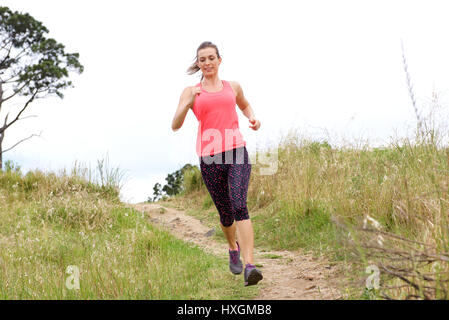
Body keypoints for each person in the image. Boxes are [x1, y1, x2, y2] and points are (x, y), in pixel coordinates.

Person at [171, 41, 263, 286]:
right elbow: (175, 124)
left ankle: (249, 265)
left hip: (236, 151)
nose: (207, 63)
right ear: (198, 63)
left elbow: (244, 105)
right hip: (210, 157)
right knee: (225, 213)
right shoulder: (191, 91)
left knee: (238, 204)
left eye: (211, 58)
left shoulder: (233, 86)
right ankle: (232, 247)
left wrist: (252, 117)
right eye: (202, 59)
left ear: (219, 60)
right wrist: (188, 101)